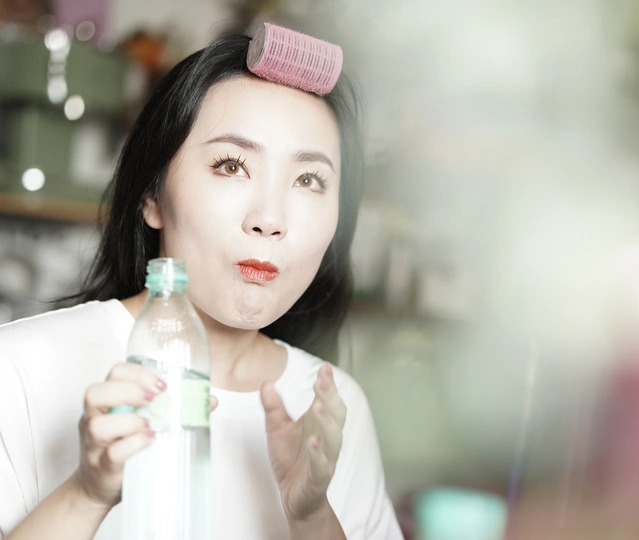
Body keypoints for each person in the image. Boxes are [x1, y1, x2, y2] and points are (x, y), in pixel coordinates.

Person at [0, 29, 403, 540]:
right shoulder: (20, 367)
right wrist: (87, 493)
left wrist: (312, 518)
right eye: (232, 166)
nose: (270, 219)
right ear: (152, 196)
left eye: (309, 180)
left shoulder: (334, 406)